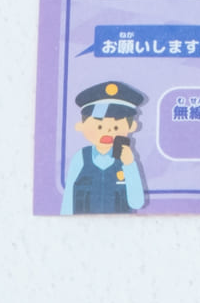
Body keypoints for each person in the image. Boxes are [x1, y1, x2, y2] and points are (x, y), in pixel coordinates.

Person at [61, 81, 147, 214]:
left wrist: (129, 165)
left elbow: (137, 202)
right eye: (99, 126)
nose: (108, 132)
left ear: (132, 127)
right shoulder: (80, 158)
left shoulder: (126, 161)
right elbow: (68, 199)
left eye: (116, 127)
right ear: (81, 126)